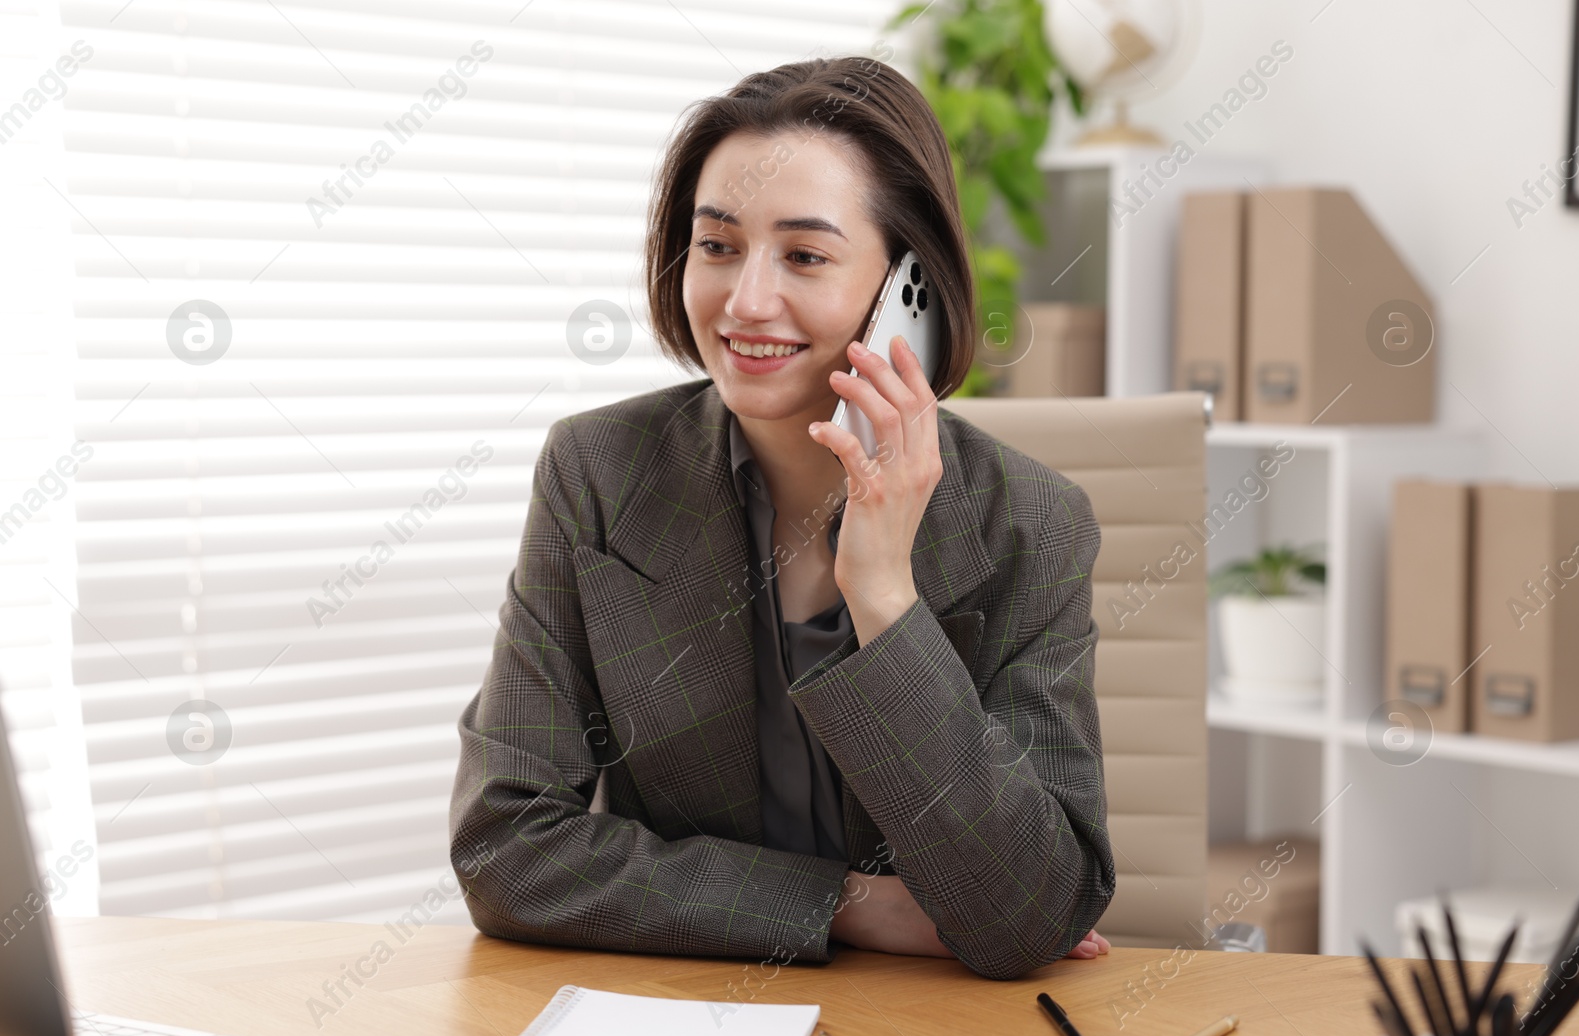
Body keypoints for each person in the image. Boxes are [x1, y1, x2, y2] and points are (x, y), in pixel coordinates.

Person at [449, 54, 1113, 981]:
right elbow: (503, 847)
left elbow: (1028, 914)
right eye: (718, 246)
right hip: (688, 1010)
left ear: (905, 294)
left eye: (805, 255)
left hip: (933, 1029)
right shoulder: (597, 475)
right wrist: (839, 900)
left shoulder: (1028, 522)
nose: (746, 300)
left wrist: (883, 599)